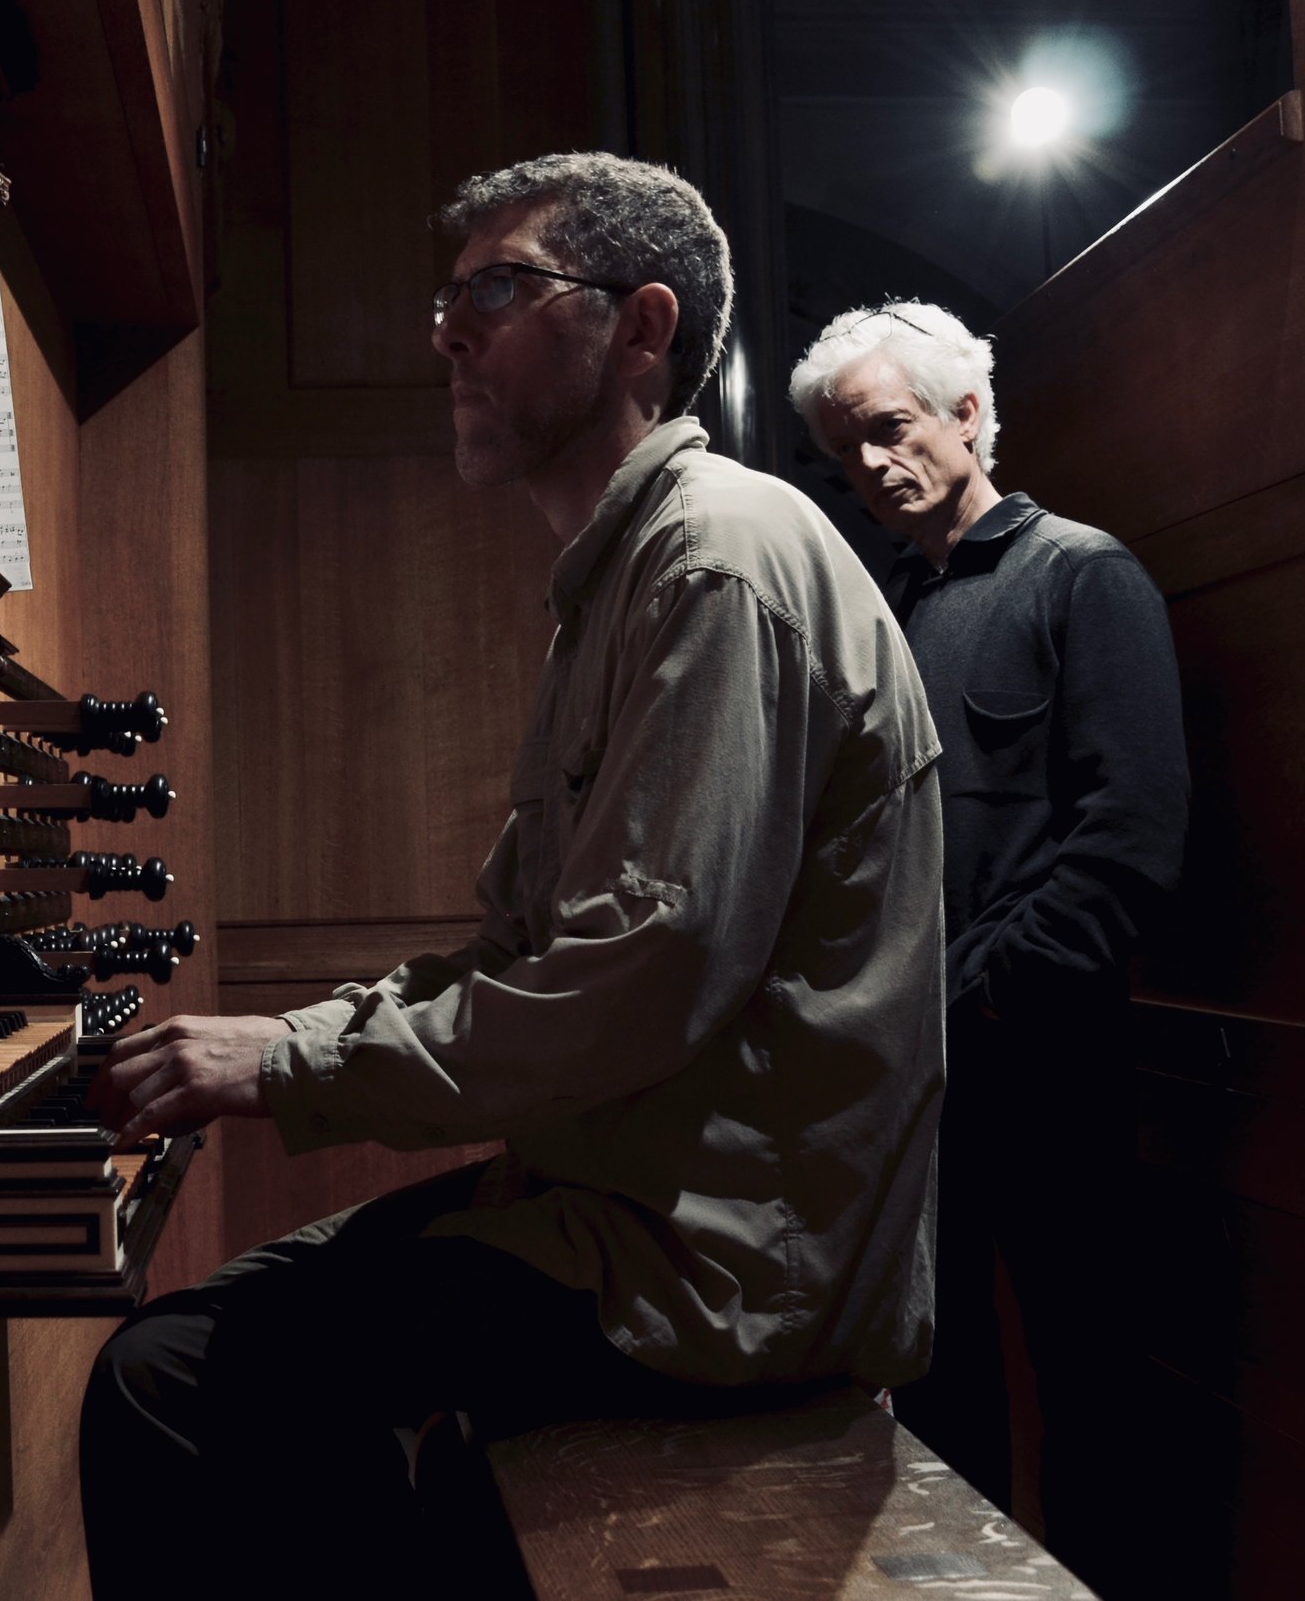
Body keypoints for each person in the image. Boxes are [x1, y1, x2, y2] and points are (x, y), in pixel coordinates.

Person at [79, 154, 946, 1601]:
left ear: (641, 326)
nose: (449, 333)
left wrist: (286, 1055)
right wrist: (291, 1041)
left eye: (501, 286)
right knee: (230, 1351)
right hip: (623, 1205)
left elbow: (627, 988)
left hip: (722, 1270)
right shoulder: (620, 583)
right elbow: (530, 953)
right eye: (450, 295)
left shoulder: (717, 560)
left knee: (177, 1381)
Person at [787, 301, 1189, 1590]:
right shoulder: (888, 604)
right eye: (846, 456)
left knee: (1092, 1393)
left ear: (968, 413)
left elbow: (1128, 848)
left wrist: (965, 1000)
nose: (872, 471)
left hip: (1046, 1065)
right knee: (933, 1392)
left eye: (890, 432)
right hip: (908, 1077)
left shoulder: (1083, 575)